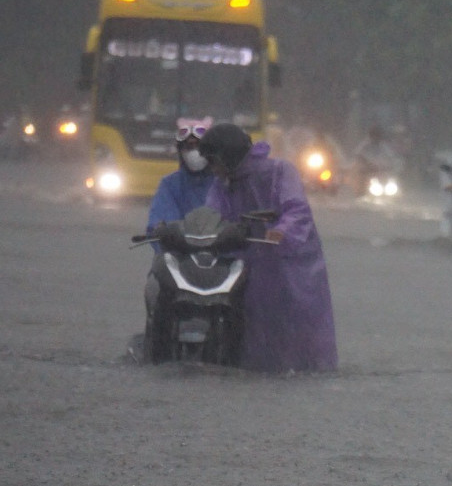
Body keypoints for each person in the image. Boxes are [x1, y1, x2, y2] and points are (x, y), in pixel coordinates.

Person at [195, 122, 338, 373]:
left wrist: (281, 232)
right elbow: (211, 214)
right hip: (245, 261)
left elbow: (297, 209)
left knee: (293, 320)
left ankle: (305, 369)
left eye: (214, 161)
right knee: (250, 319)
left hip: (290, 265)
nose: (211, 169)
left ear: (228, 157)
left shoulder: (280, 171)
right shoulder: (223, 183)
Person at [142, 119, 222, 361]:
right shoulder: (169, 185)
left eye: (197, 147)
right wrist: (163, 233)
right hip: (178, 262)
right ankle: (157, 354)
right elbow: (157, 223)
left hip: (219, 262)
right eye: (187, 148)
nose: (193, 153)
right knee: (157, 292)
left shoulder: (224, 183)